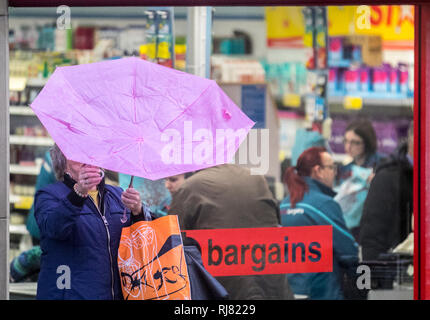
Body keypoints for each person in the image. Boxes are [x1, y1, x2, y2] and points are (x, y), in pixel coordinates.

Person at [35, 144, 150, 300]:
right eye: (78, 155)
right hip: (70, 294)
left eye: (92, 154)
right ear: (64, 165)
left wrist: (138, 212)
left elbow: (138, 243)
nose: (87, 160)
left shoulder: (118, 195)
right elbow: (54, 229)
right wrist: (78, 194)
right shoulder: (49, 195)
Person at [168, 164, 293, 300]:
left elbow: (172, 245)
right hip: (271, 284)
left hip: (225, 288)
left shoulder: (190, 187)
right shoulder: (256, 178)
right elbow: (275, 223)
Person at [280, 146, 359, 300]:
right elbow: (348, 252)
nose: (334, 172)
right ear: (318, 171)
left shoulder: (284, 205)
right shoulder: (324, 204)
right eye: (331, 167)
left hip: (290, 290)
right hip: (321, 292)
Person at [360, 122, 414, 261]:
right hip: (399, 274)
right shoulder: (389, 177)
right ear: (413, 138)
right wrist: (376, 279)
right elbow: (372, 235)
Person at [335, 118, 386, 240]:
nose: (348, 147)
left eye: (355, 142)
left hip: (374, 228)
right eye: (346, 141)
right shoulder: (345, 169)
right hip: (350, 228)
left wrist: (378, 181)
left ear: (367, 143)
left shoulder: (382, 164)